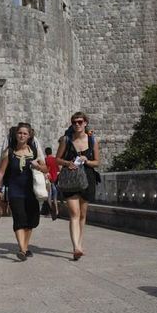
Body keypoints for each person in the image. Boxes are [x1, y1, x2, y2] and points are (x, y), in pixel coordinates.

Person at [0, 122, 48, 261]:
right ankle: (22, 249)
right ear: (16, 135)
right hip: (15, 190)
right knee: (18, 219)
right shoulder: (9, 152)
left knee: (31, 221)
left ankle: (25, 246)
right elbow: (0, 172)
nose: (22, 135)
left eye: (25, 133)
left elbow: (46, 169)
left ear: (29, 136)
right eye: (19, 133)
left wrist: (38, 166)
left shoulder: (34, 152)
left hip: (31, 191)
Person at [55, 111, 100, 260]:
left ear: (85, 123)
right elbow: (57, 159)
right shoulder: (66, 140)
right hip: (71, 180)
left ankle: (80, 244)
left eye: (80, 122)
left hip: (87, 178)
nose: (77, 124)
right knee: (74, 213)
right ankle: (76, 247)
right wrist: (68, 163)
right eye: (74, 122)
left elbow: (97, 162)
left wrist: (87, 160)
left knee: (82, 214)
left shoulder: (93, 140)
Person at [44, 145, 60, 220]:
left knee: (49, 198)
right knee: (55, 198)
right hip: (55, 181)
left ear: (46, 153)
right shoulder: (55, 160)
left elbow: (45, 170)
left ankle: (50, 213)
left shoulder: (45, 160)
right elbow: (58, 171)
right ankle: (56, 211)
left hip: (49, 181)